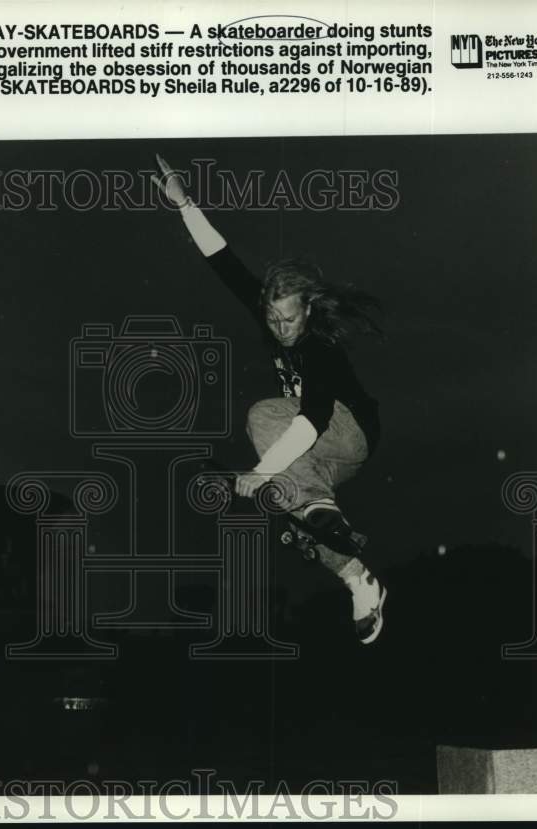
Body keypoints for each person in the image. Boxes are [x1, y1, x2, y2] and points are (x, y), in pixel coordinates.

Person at [153, 154, 388, 644]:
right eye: (273, 320)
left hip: (348, 432)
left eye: (289, 319)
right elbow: (224, 263)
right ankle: (357, 580)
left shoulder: (319, 346)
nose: (281, 330)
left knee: (264, 418)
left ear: (308, 308)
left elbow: (310, 421)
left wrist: (258, 472)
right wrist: (185, 205)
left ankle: (316, 504)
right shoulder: (272, 315)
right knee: (287, 498)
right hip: (327, 459)